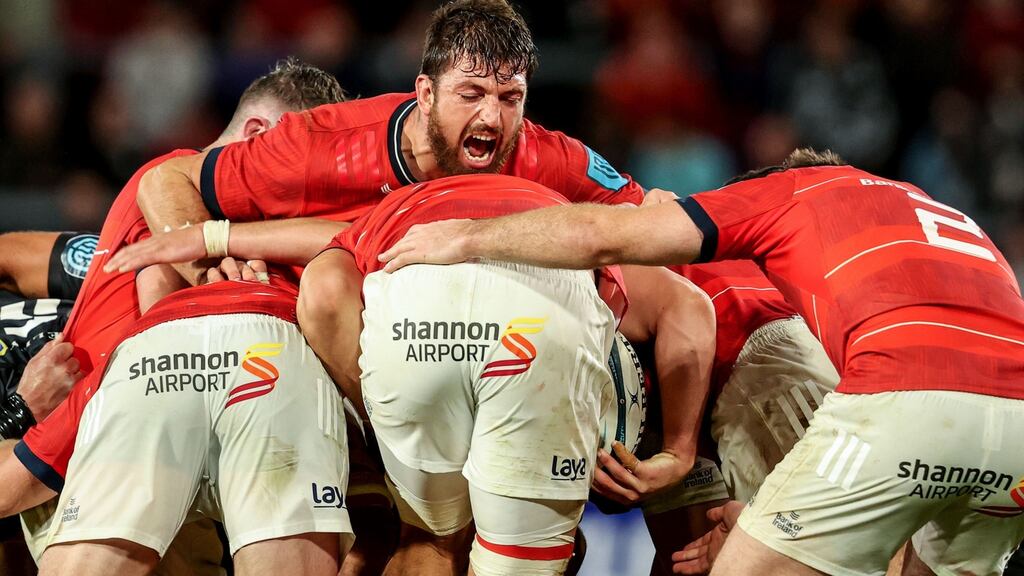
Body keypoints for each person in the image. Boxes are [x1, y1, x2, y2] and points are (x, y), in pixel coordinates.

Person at [379, 148, 1024, 576]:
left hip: (836, 381)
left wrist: (462, 237)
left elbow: (606, 232)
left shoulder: (785, 199)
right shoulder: (943, 213)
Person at [0, 58, 348, 574]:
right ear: (259, 135)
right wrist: (20, 410)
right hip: (83, 419)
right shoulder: (168, 198)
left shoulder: (134, 228)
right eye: (304, 163)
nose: (311, 188)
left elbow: (21, 254)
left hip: (122, 404)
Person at [37, 264, 353, 576]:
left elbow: (156, 273)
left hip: (157, 344)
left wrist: (18, 412)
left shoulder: (135, 247)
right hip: (268, 336)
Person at [595, 261, 839, 575]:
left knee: (833, 548)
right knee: (690, 560)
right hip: (678, 392)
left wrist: (678, 453)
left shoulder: (564, 247)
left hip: (751, 349)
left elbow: (686, 306)